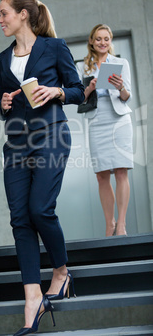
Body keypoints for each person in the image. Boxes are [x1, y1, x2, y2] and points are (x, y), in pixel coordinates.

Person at [0, 0, 84, 336]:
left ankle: (60, 273)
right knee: (19, 219)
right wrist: (0, 102)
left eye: (4, 13)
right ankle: (32, 297)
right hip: (15, 143)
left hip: (51, 135)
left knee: (40, 209)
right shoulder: (2, 60)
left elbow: (76, 89)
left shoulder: (54, 47)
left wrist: (56, 92)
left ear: (23, 15)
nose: (0, 19)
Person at [77, 23, 133, 237]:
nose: (102, 42)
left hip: (118, 118)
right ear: (91, 41)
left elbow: (127, 97)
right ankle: (109, 224)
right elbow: (79, 98)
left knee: (121, 170)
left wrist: (120, 87)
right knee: (101, 175)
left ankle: (121, 224)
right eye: (98, 38)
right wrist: (89, 88)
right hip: (97, 119)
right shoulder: (83, 66)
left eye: (106, 39)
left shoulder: (120, 62)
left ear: (110, 41)